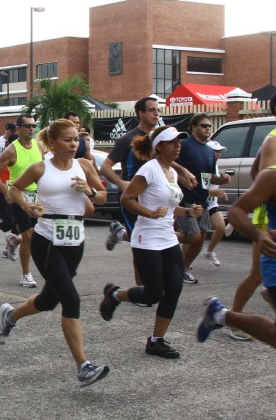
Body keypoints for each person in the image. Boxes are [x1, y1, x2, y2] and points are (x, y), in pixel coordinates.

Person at [0, 118, 108, 388]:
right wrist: (27, 207)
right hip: (47, 241)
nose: (74, 144)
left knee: (49, 300)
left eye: (76, 140)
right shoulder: (39, 168)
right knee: (71, 300)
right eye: (68, 140)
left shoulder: (85, 165)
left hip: (75, 241)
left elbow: (103, 195)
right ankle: (83, 366)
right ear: (53, 142)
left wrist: (90, 190)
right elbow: (14, 189)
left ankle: (10, 316)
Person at [99, 126, 200, 359]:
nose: (178, 146)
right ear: (159, 146)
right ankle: (115, 295)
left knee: (174, 289)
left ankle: (156, 341)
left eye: (179, 142)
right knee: (153, 294)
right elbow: (126, 199)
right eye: (173, 142)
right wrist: (149, 213)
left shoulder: (171, 173)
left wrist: (190, 212)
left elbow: (171, 210)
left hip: (167, 237)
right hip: (147, 239)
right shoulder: (149, 170)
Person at [101, 97, 197, 286]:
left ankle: (120, 234)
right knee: (140, 243)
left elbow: (163, 159)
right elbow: (105, 167)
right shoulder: (127, 139)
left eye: (158, 110)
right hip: (133, 199)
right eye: (152, 110)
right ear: (141, 113)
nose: (156, 114)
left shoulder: (156, 139)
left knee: (157, 235)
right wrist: (121, 184)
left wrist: (181, 170)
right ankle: (141, 288)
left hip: (155, 196)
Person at [197, 162, 276, 349]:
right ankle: (222, 315)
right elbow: (236, 211)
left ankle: (219, 314)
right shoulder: (273, 177)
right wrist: (258, 235)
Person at [227, 92, 276, 340]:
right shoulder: (274, 140)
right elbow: (264, 181)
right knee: (257, 273)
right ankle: (232, 318)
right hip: (266, 218)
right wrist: (260, 231)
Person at [0, 114, 44, 287]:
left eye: (33, 125)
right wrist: (7, 192)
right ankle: (26, 275)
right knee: (29, 234)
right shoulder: (12, 149)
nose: (31, 129)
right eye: (27, 126)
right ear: (18, 129)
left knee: (36, 234)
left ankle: (13, 240)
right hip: (19, 196)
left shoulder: (39, 146)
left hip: (37, 196)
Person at [175, 113, 230, 284]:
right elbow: (165, 162)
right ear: (193, 127)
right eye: (204, 126)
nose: (207, 129)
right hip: (185, 199)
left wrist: (220, 179)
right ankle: (163, 236)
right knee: (193, 236)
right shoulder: (183, 145)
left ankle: (183, 269)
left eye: (209, 126)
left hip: (202, 200)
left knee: (200, 237)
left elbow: (208, 178)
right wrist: (181, 174)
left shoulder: (208, 151)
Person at [201, 140, 229, 267]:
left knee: (221, 227)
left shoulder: (215, 166)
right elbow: (201, 190)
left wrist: (224, 180)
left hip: (212, 204)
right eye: (215, 151)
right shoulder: (203, 165)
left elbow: (216, 182)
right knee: (196, 237)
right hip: (201, 204)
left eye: (219, 152)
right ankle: (184, 261)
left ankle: (209, 251)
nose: (218, 154)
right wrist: (215, 192)